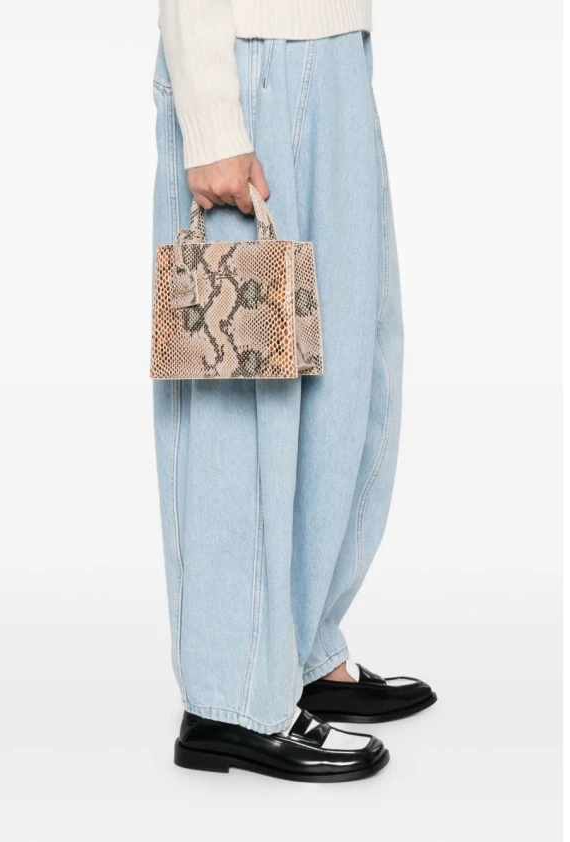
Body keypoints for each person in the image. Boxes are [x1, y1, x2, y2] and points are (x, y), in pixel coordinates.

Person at [151, 0, 436, 782]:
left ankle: (297, 650)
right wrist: (211, 117)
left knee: (350, 376)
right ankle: (231, 698)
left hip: (334, 53)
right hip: (252, 62)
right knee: (242, 392)